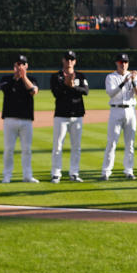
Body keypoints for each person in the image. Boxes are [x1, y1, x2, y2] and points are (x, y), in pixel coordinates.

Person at [101, 53, 137, 180]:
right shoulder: (111, 77)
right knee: (112, 142)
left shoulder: (134, 76)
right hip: (116, 110)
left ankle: (129, 170)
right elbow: (111, 93)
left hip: (130, 111)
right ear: (116, 63)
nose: (123, 64)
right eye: (121, 62)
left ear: (128, 63)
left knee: (130, 143)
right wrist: (124, 82)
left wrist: (134, 81)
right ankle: (106, 172)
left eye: (125, 62)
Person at [51, 51, 89, 183]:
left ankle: (74, 173)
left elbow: (85, 91)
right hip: (61, 115)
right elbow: (56, 93)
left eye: (71, 59)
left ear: (75, 61)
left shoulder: (80, 75)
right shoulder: (56, 76)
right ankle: (56, 173)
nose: (69, 61)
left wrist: (73, 86)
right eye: (67, 59)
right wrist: (66, 84)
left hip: (77, 115)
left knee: (76, 146)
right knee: (58, 146)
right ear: (63, 60)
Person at [0, 54, 39, 183]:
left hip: (26, 120)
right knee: (8, 149)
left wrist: (24, 77)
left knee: (27, 149)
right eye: (17, 64)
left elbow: (33, 91)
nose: (19, 66)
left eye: (22, 64)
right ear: (14, 66)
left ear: (26, 66)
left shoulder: (31, 79)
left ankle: (27, 175)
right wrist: (16, 77)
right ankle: (7, 175)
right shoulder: (6, 79)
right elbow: (4, 89)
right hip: (10, 119)